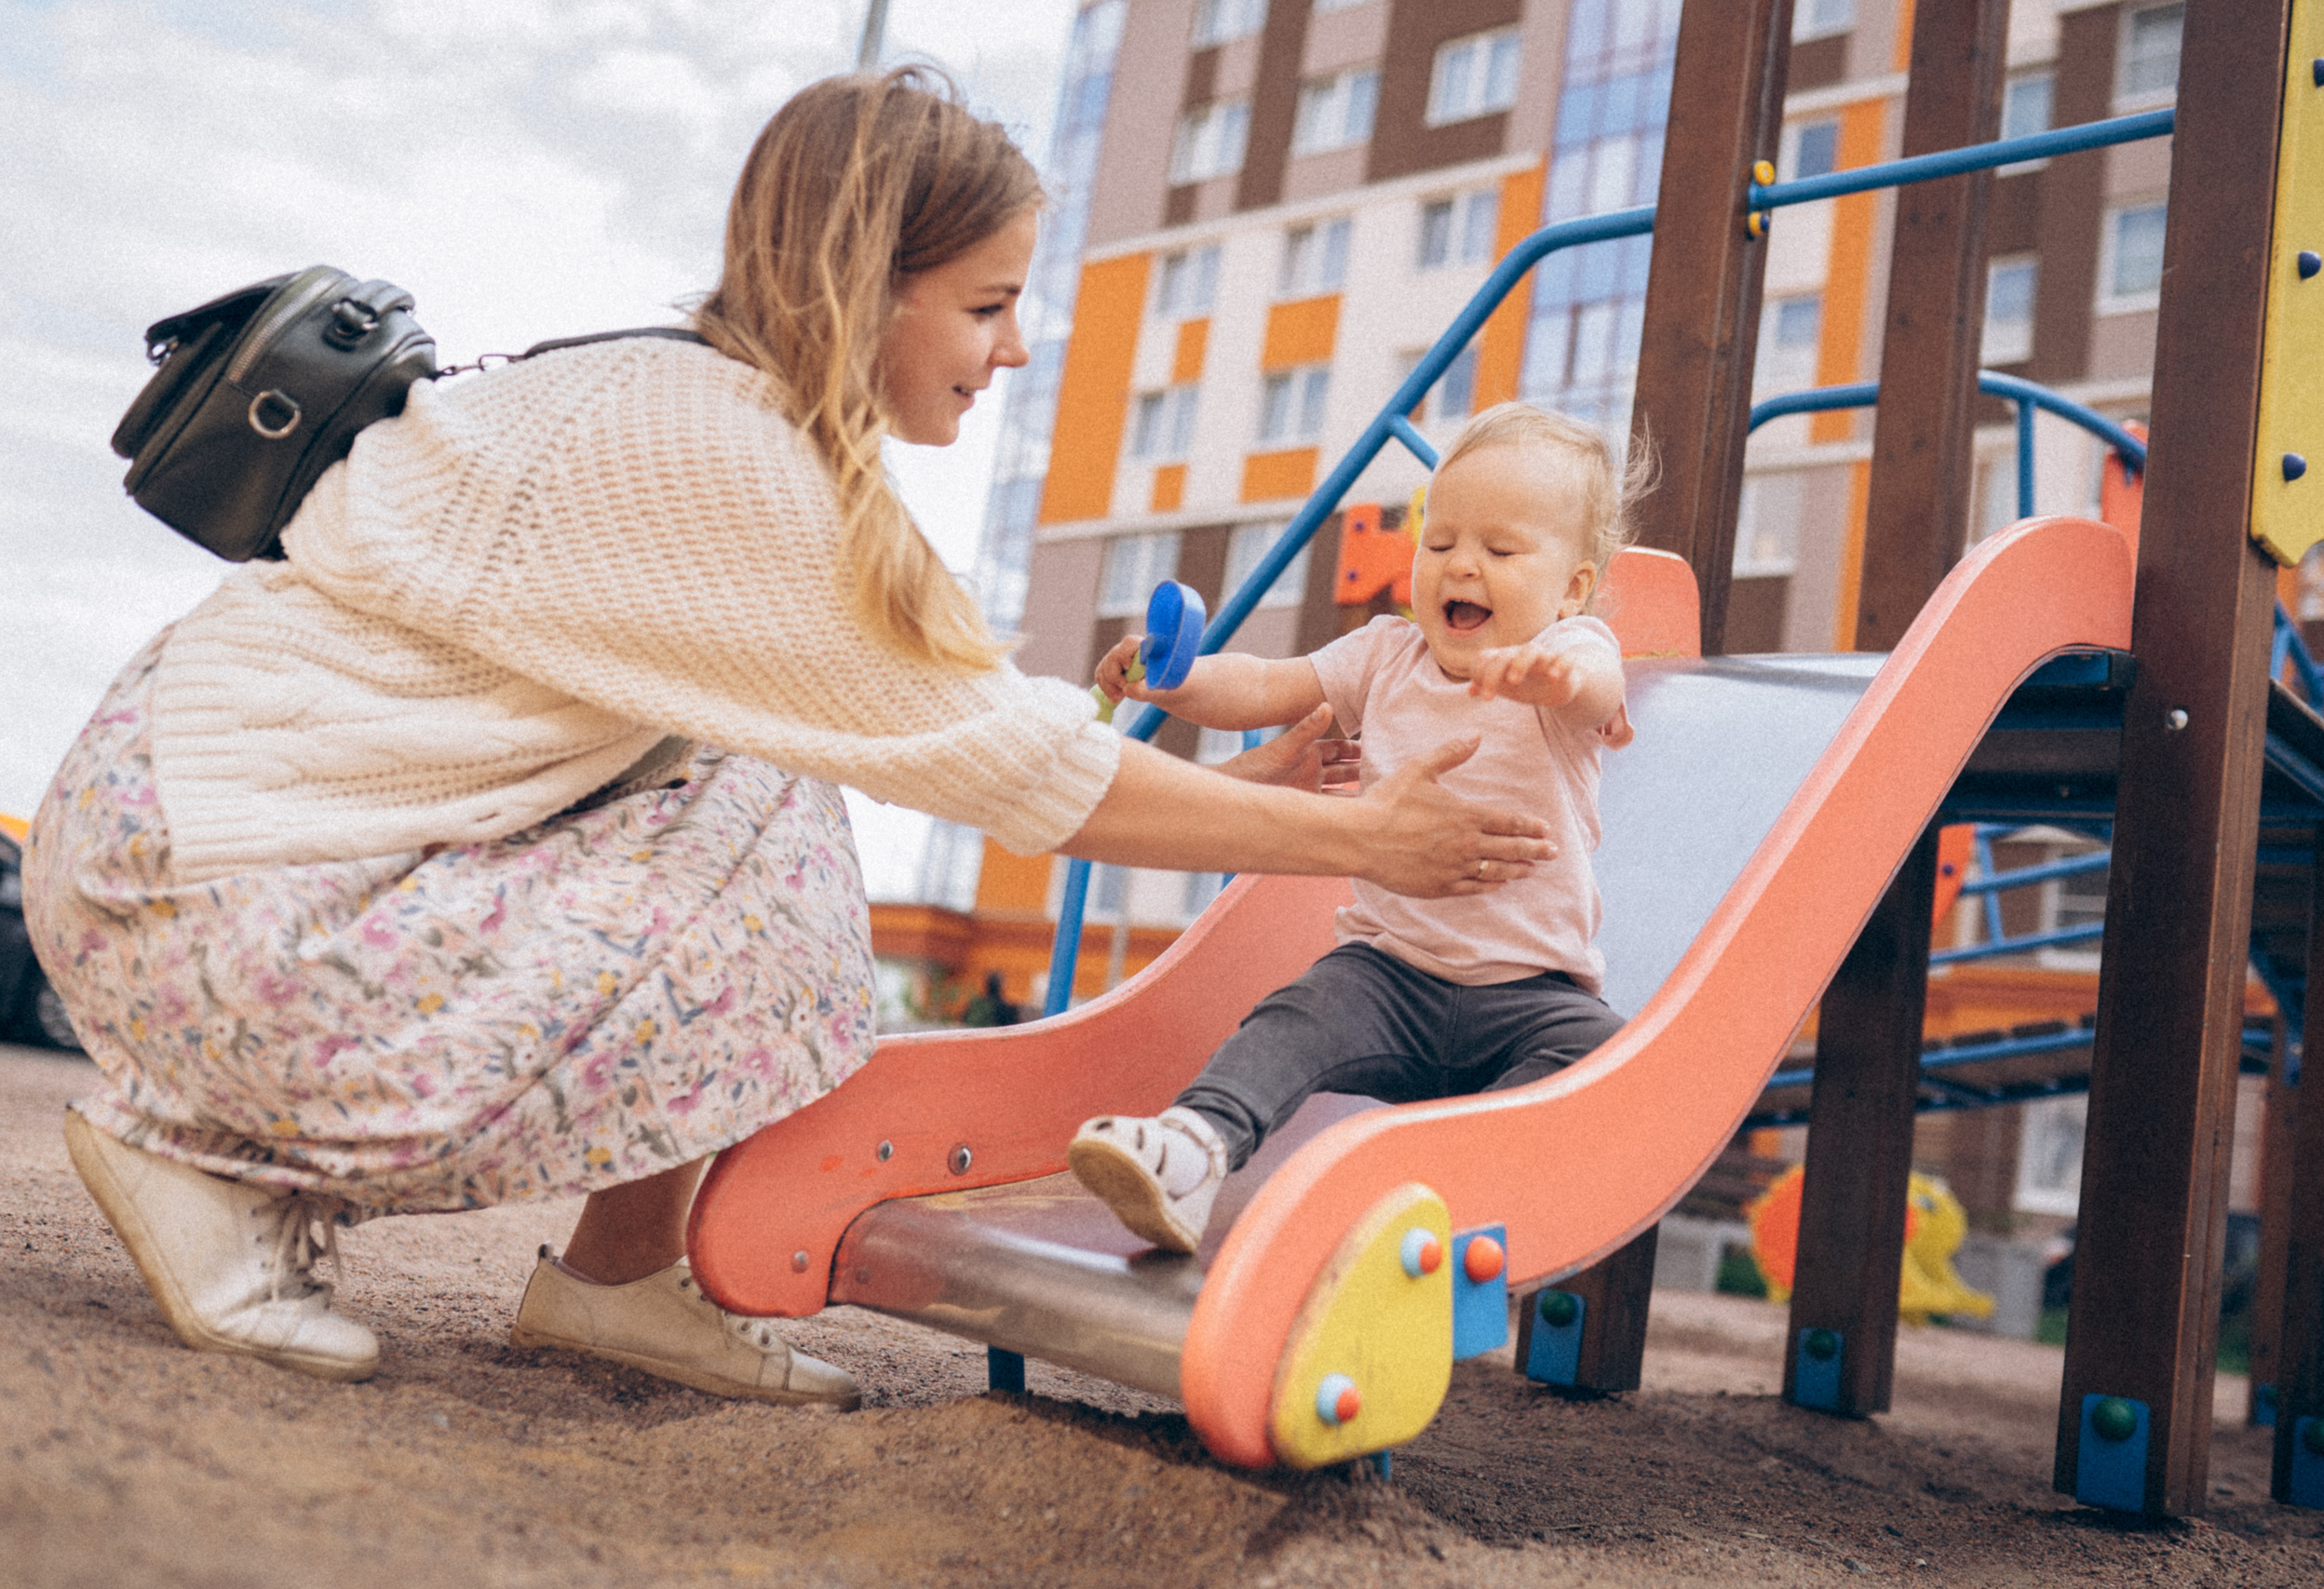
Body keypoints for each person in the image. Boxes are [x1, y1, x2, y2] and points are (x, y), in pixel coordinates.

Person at [21, 70, 1558, 1407]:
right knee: (771, 844)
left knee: (754, 786)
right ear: (862, 285)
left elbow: (973, 729)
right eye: (984, 302)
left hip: (182, 843)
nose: (1014, 347)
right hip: (204, 887)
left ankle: (617, 1280)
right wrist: (1358, 837)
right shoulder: (733, 461)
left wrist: (1253, 793)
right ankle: (216, 1165)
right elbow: (1003, 765)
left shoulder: (692, 411)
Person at [1067, 403, 1643, 1253]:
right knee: (1294, 1016)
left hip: (1531, 995)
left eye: (1501, 549)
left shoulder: (1570, 658)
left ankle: (1451, 1200)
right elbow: (1268, 685)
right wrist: (1177, 681)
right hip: (1387, 975)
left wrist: (1556, 670)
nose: (1462, 566)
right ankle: (1193, 1149)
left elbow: (1597, 680)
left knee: (1604, 1055)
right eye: (1440, 543)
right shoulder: (1384, 654)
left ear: (1572, 587)